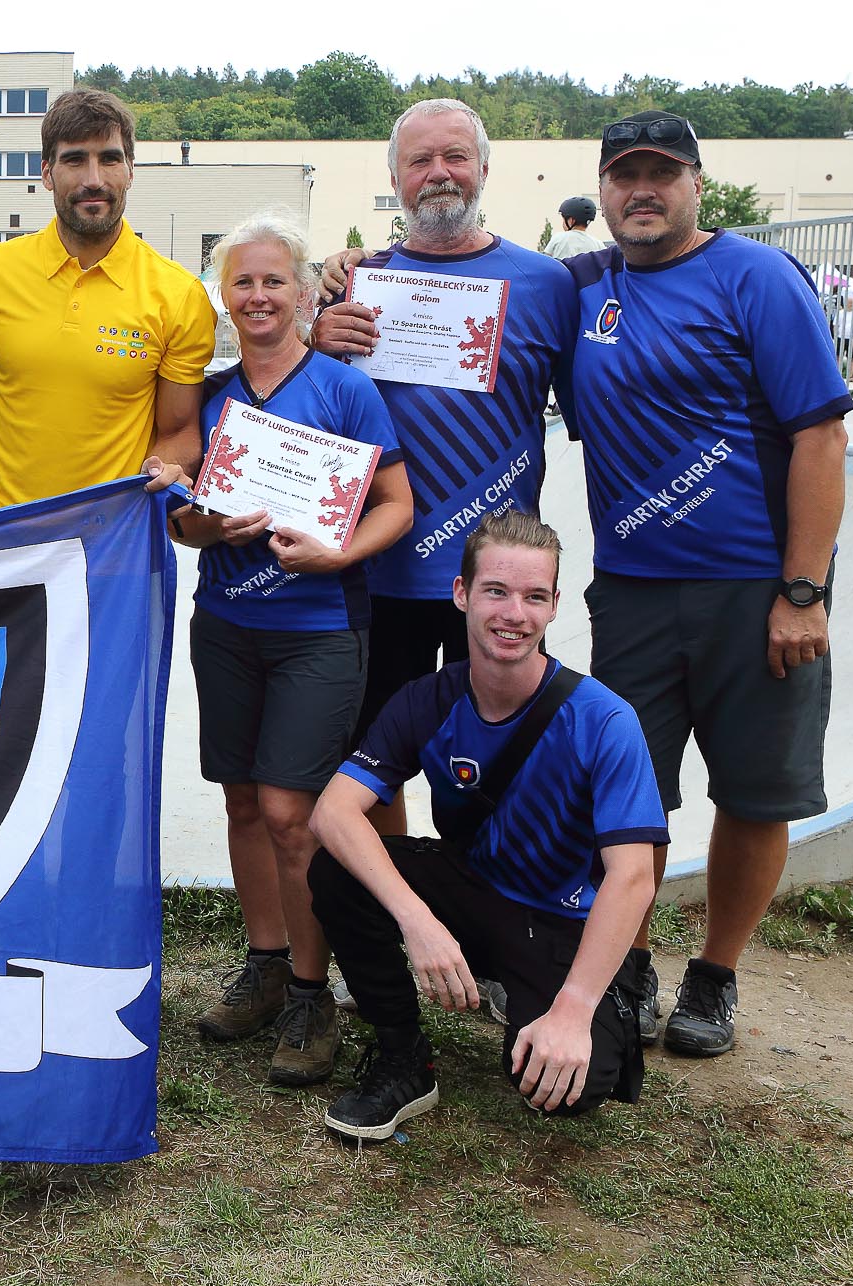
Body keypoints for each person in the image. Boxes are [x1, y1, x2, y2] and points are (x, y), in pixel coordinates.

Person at [558, 112, 850, 1058]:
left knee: (756, 794)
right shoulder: (581, 287)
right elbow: (468, 295)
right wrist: (351, 280)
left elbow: (821, 434)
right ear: (601, 190)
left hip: (756, 589)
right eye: (623, 176)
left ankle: (715, 978)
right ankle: (631, 966)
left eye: (662, 173)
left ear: (695, 182)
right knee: (629, 795)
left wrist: (801, 592)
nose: (642, 191)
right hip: (635, 590)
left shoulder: (756, 276)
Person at [307, 510, 663, 1141]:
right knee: (338, 868)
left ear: (555, 608)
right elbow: (333, 810)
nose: (514, 614)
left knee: (568, 1089)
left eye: (534, 597)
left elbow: (632, 878)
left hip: (560, 921)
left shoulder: (604, 719)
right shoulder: (427, 699)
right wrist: (417, 924)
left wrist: (574, 1011)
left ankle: (553, 1002)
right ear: (461, 594)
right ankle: (402, 1057)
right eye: (496, 591)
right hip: (473, 892)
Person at [173, 214, 411, 1085]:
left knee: (290, 812)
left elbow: (397, 504)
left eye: (276, 281)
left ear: (307, 293)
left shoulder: (345, 390)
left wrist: (339, 552)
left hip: (319, 631)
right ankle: (266, 966)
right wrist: (206, 523)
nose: (260, 296)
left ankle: (315, 991)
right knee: (241, 804)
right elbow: (182, 522)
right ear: (223, 297)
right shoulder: (209, 395)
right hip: (228, 627)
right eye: (243, 282)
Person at [311, 99, 577, 854]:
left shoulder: (547, 284)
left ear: (485, 169)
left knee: (496, 764)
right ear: (394, 178)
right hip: (377, 570)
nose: (439, 174)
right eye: (420, 161)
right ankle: (402, 912)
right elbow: (303, 406)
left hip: (492, 579)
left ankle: (487, 929)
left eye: (455, 157)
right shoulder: (355, 284)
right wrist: (318, 340)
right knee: (375, 764)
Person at [0, 89, 217, 509]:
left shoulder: (178, 293)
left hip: (111, 540)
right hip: (1, 536)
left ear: (131, 170)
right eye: (75, 159)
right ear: (47, 172)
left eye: (110, 158)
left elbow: (179, 431)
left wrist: (166, 467)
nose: (94, 179)